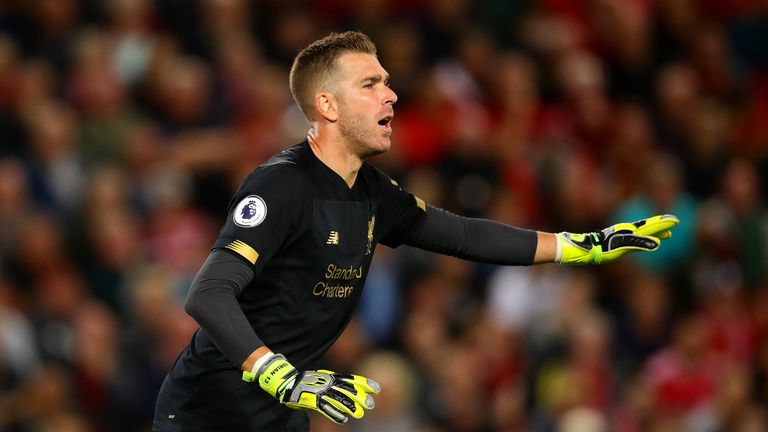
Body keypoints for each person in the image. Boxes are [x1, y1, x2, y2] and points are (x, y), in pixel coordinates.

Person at [152, 31, 679, 432]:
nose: (392, 96)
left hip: (284, 411)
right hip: (207, 412)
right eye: (371, 84)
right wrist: (279, 374)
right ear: (327, 106)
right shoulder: (280, 186)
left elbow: (464, 235)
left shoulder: (372, 192)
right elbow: (209, 292)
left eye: (386, 81)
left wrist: (580, 246)